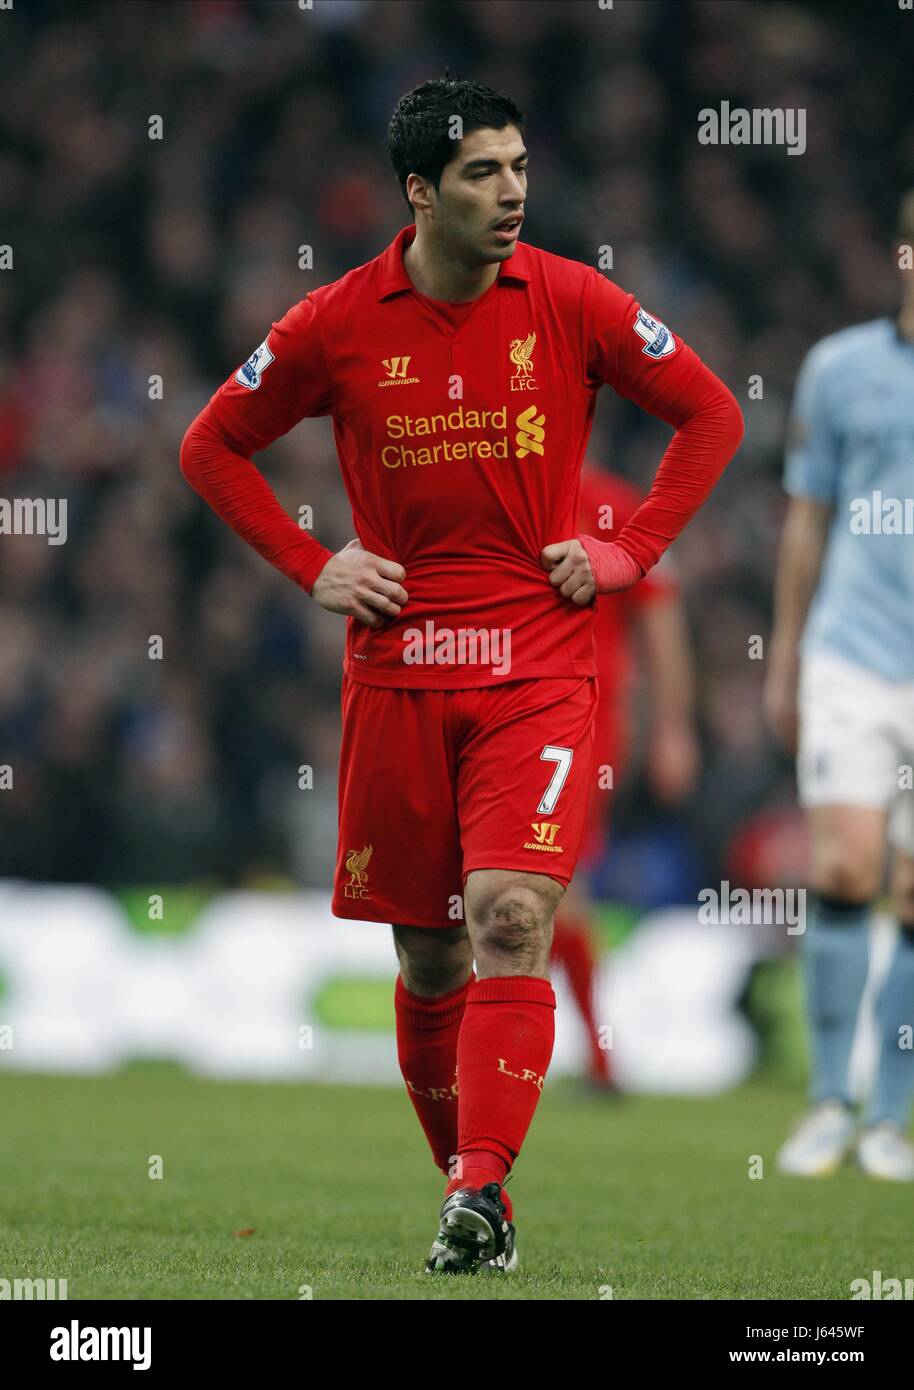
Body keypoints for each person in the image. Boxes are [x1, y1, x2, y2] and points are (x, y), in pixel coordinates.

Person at [181, 77, 743, 1272]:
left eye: (521, 168)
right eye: (485, 173)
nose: (513, 194)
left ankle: (480, 1186)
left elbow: (706, 413)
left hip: (537, 663)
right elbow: (210, 443)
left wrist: (629, 547)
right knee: (428, 951)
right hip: (397, 671)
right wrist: (307, 563)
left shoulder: (574, 298)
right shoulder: (333, 321)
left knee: (508, 912)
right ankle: (470, 1194)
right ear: (419, 192)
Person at [765, 190, 914, 1182]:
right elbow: (805, 518)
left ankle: (886, 1122)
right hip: (849, 654)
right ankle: (826, 1098)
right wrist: (781, 653)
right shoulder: (839, 368)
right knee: (847, 869)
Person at [551, 465, 698, 1092]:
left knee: (552, 881)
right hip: (485, 710)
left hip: (585, 722)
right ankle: (592, 1052)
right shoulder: (495, 484)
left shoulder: (615, 505)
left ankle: (597, 1054)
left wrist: (673, 727)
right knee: (525, 889)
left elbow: (661, 618)